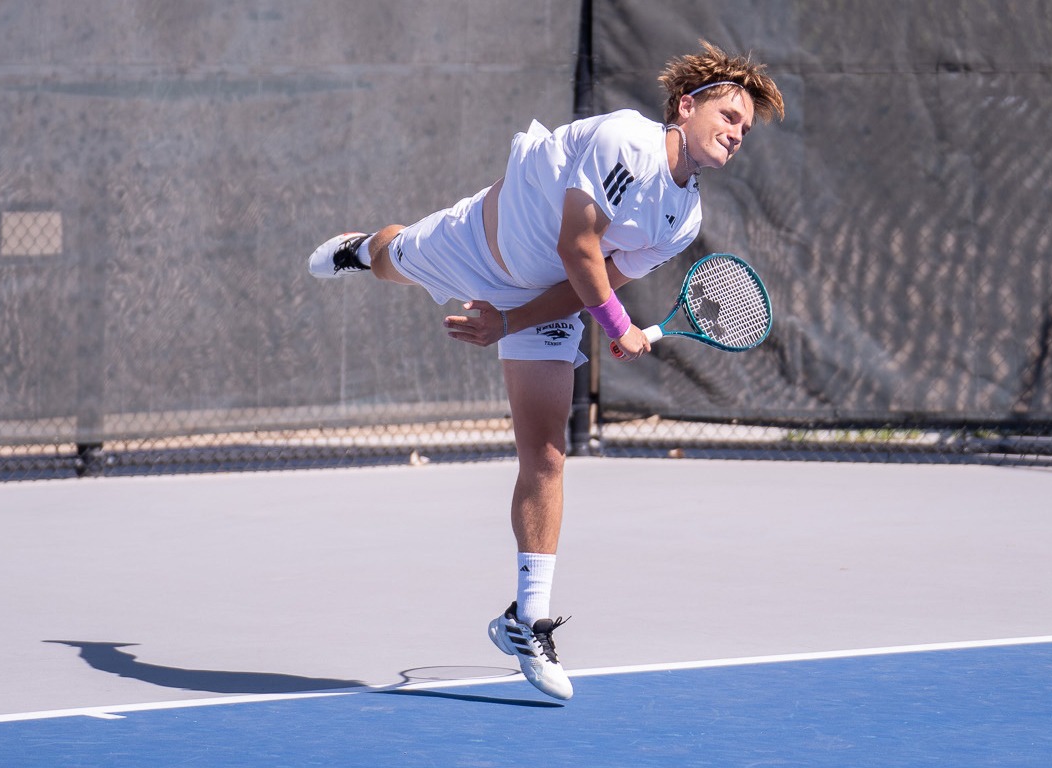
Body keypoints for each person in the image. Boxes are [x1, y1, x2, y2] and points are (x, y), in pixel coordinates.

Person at [308, 41, 784, 700]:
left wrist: (510, 323)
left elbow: (599, 278)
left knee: (547, 454)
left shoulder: (683, 218)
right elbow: (578, 246)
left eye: (745, 129)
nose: (736, 133)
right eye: (728, 116)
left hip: (544, 298)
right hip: (479, 245)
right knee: (393, 259)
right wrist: (618, 326)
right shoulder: (626, 142)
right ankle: (362, 248)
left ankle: (525, 619)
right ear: (685, 106)